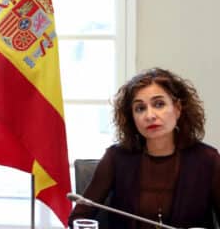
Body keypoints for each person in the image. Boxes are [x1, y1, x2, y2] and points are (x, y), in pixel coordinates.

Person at [69, 67, 220, 228]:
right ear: (132, 117)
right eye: (140, 108)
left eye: (159, 104)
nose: (150, 116)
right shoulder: (116, 158)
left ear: (177, 108)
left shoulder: (207, 160)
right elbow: (78, 219)